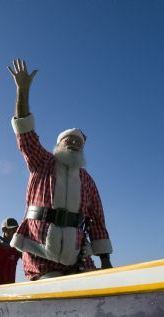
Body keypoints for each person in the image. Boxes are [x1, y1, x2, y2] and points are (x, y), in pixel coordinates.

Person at [7, 59, 113, 281]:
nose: (74, 144)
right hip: (39, 253)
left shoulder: (87, 181)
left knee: (91, 282)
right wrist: (22, 90)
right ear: (58, 146)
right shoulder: (41, 162)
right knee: (51, 279)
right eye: (69, 141)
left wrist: (106, 262)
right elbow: (25, 132)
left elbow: (97, 221)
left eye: (78, 143)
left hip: (76, 255)